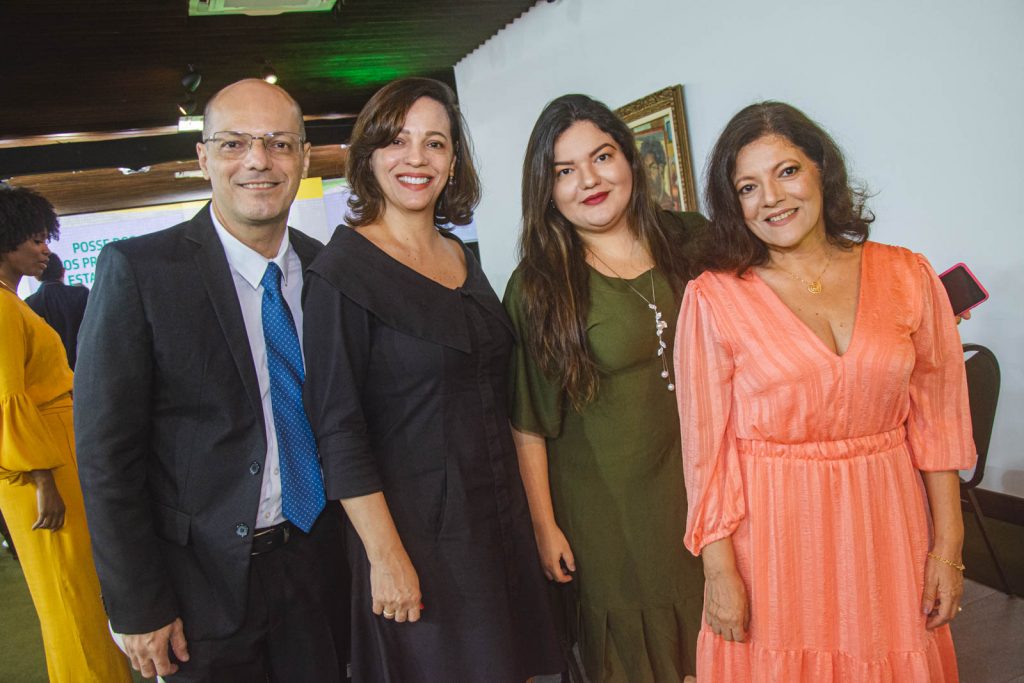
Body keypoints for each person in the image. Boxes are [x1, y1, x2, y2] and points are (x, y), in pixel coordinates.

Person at [675, 101, 975, 681]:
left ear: (819, 169)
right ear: (734, 204)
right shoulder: (714, 298)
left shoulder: (907, 275)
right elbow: (705, 453)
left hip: (889, 523)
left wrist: (949, 545)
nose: (772, 198)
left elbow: (938, 421)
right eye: (748, 186)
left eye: (786, 171)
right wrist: (719, 570)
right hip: (774, 539)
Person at [74, 79, 348, 682]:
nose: (258, 160)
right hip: (199, 586)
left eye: (278, 143)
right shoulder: (141, 272)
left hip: (319, 565)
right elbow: (105, 455)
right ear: (203, 158)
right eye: (234, 143)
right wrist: (138, 602)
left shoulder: (331, 269)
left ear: (303, 157)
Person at [302, 77, 563, 682]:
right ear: (368, 156)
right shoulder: (340, 273)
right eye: (397, 141)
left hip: (496, 520)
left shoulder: (459, 255)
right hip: (417, 540)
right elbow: (338, 431)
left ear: (453, 161)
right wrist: (385, 557)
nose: (416, 159)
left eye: (435, 143)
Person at [503, 94, 707, 682]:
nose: (588, 181)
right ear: (546, 189)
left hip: (704, 488)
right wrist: (545, 527)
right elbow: (528, 423)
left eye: (601, 157)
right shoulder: (539, 285)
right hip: (608, 509)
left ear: (631, 160)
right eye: (564, 171)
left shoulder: (690, 238)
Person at [0, 186, 131, 682]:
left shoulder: (12, 304)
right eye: (34, 240)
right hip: (40, 472)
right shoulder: (3, 308)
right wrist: (43, 482)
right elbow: (5, 400)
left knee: (79, 587)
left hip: (51, 459)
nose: (44, 250)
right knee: (68, 590)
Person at [25, 252, 89, 370]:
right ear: (63, 271)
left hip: (53, 374)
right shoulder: (81, 294)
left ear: (36, 275)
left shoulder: (28, 304)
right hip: (85, 368)